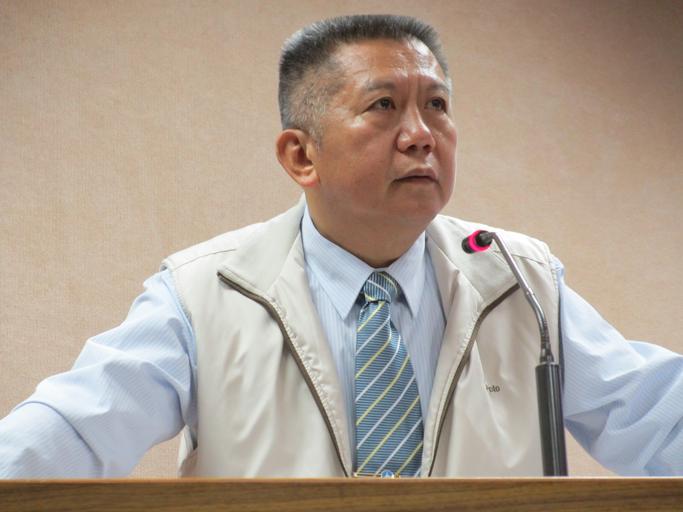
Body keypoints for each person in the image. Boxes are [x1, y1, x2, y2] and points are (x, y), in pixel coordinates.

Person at [1, 14, 682, 478]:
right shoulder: (204, 292)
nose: (421, 135)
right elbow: (77, 427)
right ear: (301, 155)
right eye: (383, 106)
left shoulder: (516, 279)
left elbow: (652, 415)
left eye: (437, 105)